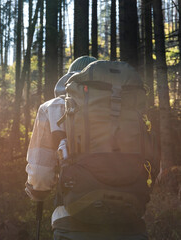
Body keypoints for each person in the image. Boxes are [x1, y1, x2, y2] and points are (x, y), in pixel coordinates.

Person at [25, 56, 151, 240]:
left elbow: (40, 176)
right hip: (130, 218)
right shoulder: (128, 107)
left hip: (73, 221)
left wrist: (36, 191)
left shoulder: (52, 107)